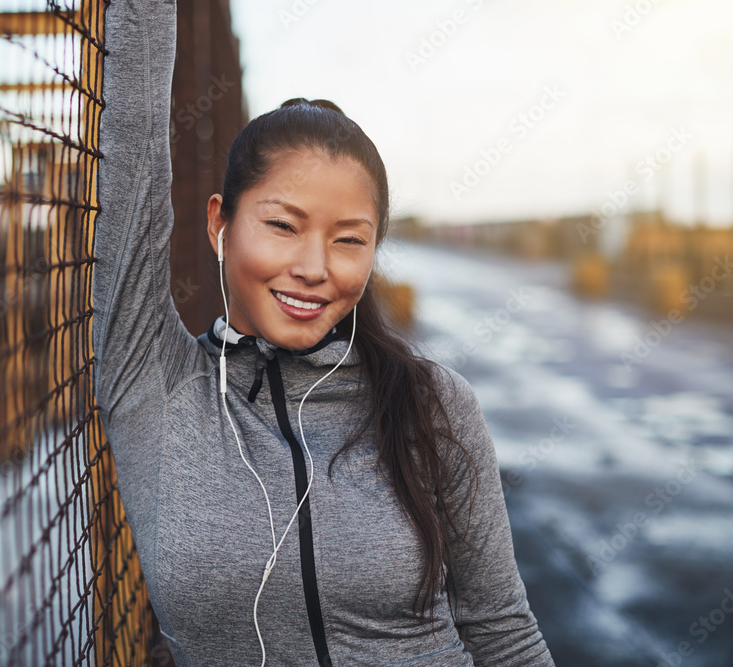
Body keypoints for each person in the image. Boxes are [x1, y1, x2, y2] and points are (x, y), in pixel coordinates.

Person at [91, 2, 556, 665]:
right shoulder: (156, 388)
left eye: (347, 241)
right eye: (282, 225)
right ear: (221, 225)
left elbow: (504, 632)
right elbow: (133, 157)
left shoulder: (434, 403)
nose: (313, 269)